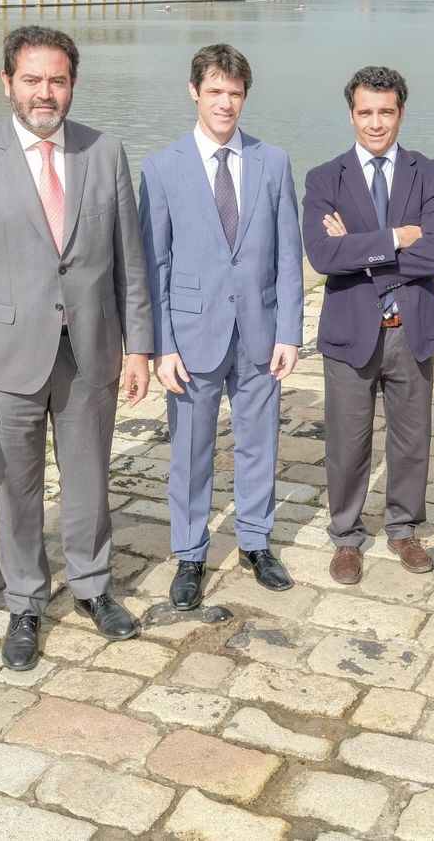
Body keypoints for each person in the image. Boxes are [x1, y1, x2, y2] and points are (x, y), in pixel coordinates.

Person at [0, 25, 152, 673]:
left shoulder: (105, 152)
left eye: (57, 79)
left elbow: (130, 261)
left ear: (73, 84)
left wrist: (138, 344)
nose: (44, 92)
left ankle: (92, 586)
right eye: (31, 79)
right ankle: (26, 603)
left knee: (88, 480)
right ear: (8, 83)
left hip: (90, 350)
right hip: (5, 358)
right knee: (16, 486)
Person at [138, 44, 305, 607]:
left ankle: (256, 541)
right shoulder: (161, 169)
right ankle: (189, 553)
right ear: (194, 92)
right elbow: (153, 264)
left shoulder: (273, 161)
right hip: (190, 338)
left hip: (260, 334)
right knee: (190, 450)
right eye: (215, 92)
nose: (225, 104)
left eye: (235, 94)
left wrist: (288, 332)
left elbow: (288, 254)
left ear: (245, 96)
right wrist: (161, 345)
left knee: (260, 443)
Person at [302, 66, 434, 584]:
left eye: (385, 112)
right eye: (365, 112)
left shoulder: (429, 173)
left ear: (401, 113)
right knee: (347, 441)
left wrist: (361, 248)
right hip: (350, 331)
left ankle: (404, 528)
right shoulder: (325, 178)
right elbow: (323, 255)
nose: (375, 123)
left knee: (412, 438)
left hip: (412, 329)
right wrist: (395, 237)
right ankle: (346, 536)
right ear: (351, 114)